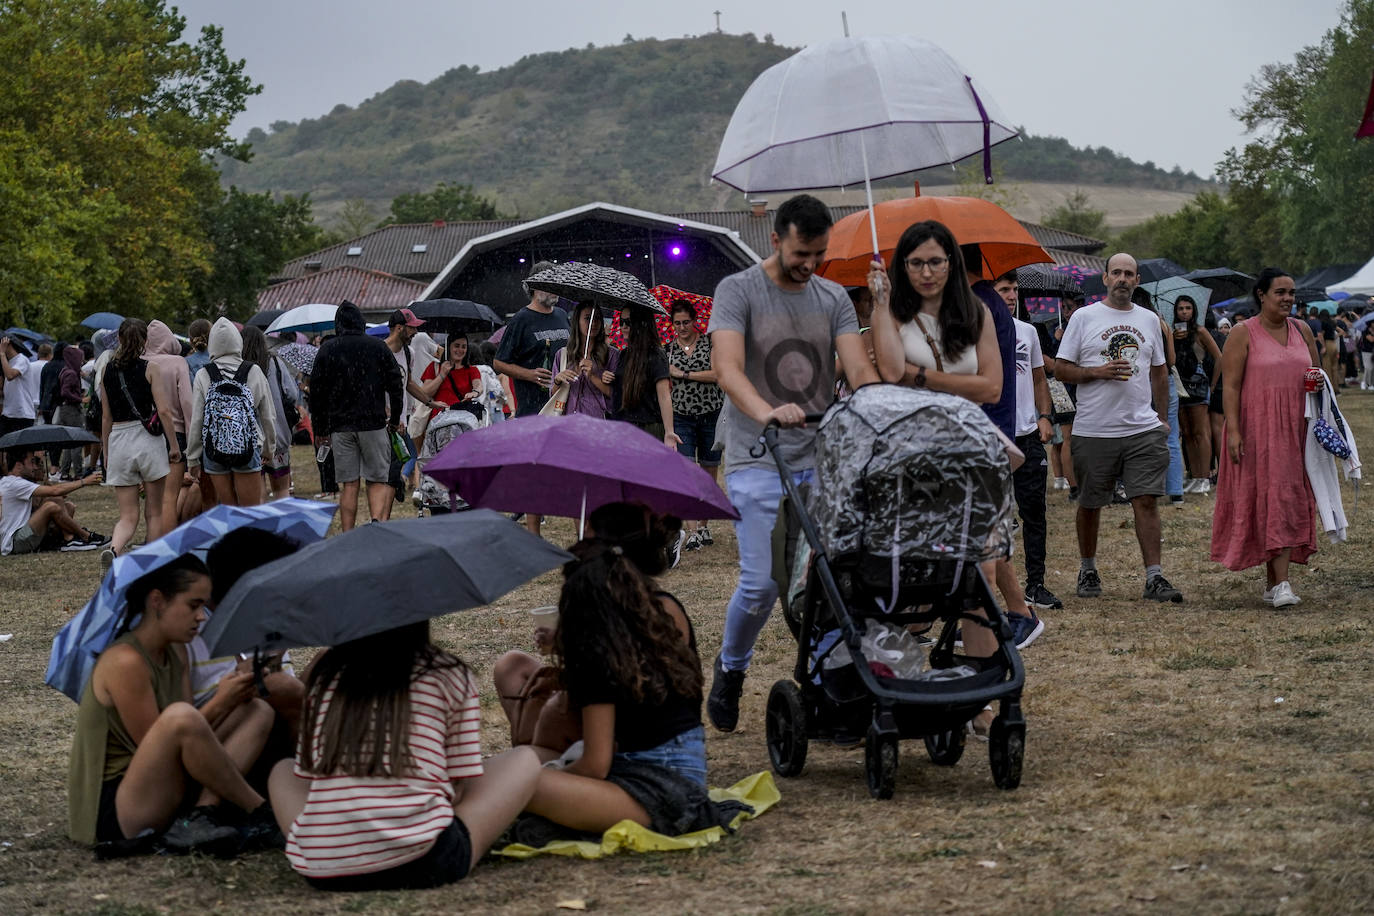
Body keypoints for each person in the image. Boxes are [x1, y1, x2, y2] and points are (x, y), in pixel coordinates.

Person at [706, 194, 879, 733]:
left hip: (822, 459)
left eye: (819, 254)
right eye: (802, 253)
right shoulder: (737, 291)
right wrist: (767, 412)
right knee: (761, 585)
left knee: (830, 581)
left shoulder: (833, 298)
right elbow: (727, 368)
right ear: (776, 239)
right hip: (758, 457)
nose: (810, 264)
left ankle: (832, 686)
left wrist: (877, 407)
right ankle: (731, 668)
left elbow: (857, 369)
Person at [866, 226, 1041, 680]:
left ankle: (979, 687)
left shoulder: (977, 312)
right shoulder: (893, 313)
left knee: (977, 574)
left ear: (952, 264)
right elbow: (888, 369)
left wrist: (922, 378)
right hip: (912, 457)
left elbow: (992, 385)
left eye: (936, 261)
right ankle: (897, 682)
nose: (927, 272)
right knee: (910, 574)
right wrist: (880, 303)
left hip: (971, 453)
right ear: (902, 266)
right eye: (916, 263)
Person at [267, 621, 540, 890]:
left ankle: (335, 843)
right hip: (425, 862)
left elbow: (309, 774)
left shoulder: (325, 678)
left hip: (322, 870)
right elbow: (458, 787)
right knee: (524, 760)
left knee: (282, 771)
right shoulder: (448, 672)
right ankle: (407, 830)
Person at [520, 520, 729, 839]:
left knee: (520, 784)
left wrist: (558, 775)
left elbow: (594, 765)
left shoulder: (597, 655)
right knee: (515, 771)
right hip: (664, 776)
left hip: (664, 794)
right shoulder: (629, 632)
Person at [67, 555, 281, 854]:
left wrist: (237, 693)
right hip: (118, 811)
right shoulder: (125, 661)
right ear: (157, 601)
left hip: (162, 786)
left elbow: (187, 737)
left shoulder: (175, 650)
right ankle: (260, 811)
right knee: (181, 716)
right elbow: (166, 739)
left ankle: (201, 815)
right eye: (193, 606)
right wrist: (221, 701)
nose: (202, 616)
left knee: (257, 710)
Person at [1053, 254, 1183, 603]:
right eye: (1117, 273)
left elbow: (1159, 371)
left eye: (1129, 274)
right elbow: (1062, 370)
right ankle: (1088, 568)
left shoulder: (1150, 320)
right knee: (1091, 503)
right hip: (1094, 428)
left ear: (1136, 279)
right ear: (1106, 278)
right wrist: (1096, 372)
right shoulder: (1084, 317)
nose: (1123, 279)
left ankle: (1154, 577)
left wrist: (1161, 417)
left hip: (1141, 428)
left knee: (1146, 500)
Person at [1211, 268, 1320, 608]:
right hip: (1257, 428)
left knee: (1287, 497)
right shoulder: (1243, 333)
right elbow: (1229, 386)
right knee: (1268, 498)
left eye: (1291, 292)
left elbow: (1317, 375)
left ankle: (1277, 583)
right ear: (1262, 295)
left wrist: (1318, 396)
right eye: (1281, 292)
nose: (1288, 298)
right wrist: (1234, 431)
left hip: (1297, 427)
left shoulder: (1302, 330)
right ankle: (1281, 583)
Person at [992, 271, 1062, 611]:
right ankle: (991, 589)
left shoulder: (1028, 332)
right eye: (1003, 289)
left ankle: (1037, 584)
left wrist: (1045, 416)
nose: (1011, 295)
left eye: (1014, 290)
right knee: (993, 518)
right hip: (993, 438)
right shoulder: (980, 332)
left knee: (1035, 512)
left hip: (1027, 434)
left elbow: (1038, 380)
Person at [308, 302, 403, 531]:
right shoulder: (378, 348)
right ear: (361, 322)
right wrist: (395, 418)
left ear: (338, 324)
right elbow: (396, 386)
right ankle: (377, 529)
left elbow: (317, 394)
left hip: (341, 427)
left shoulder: (328, 350)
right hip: (373, 423)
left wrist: (320, 429)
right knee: (377, 480)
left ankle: (348, 534)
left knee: (349, 485)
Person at [100, 319, 181, 566]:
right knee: (154, 511)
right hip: (148, 441)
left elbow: (106, 416)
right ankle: (151, 562)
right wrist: (174, 446)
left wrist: (105, 450)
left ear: (120, 340)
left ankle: (114, 549)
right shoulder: (151, 368)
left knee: (127, 515)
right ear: (146, 341)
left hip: (119, 439)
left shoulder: (106, 371)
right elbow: (164, 411)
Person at [186, 318, 277, 509]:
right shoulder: (253, 371)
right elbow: (268, 415)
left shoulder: (204, 374)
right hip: (247, 444)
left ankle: (232, 538)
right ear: (238, 342)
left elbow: (197, 420)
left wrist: (193, 457)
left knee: (228, 509)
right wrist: (269, 447)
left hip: (214, 450)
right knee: (249, 510)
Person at [666, 300, 724, 551]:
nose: (682, 327)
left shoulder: (710, 343)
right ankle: (693, 531)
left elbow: (718, 374)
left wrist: (683, 374)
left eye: (686, 322)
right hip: (681, 416)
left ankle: (703, 523)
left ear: (695, 320)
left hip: (711, 413)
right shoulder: (667, 350)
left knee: (709, 471)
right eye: (677, 323)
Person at [493, 260, 570, 421]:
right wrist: (529, 374)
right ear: (534, 287)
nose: (555, 289)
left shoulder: (562, 315)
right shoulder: (521, 319)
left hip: (563, 404)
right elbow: (499, 363)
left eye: (556, 284)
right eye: (549, 284)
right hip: (533, 409)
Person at [1, 448, 106, 555]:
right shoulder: (14, 484)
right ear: (19, 465)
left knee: (67, 506)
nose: (34, 467)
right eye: (32, 462)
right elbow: (55, 491)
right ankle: (84, 536)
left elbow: (46, 499)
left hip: (22, 534)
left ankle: (67, 539)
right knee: (50, 506)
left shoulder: (11, 482)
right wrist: (84, 481)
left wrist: (43, 481)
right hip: (14, 542)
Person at [143, 320, 194, 530]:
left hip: (147, 433)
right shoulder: (178, 362)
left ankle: (152, 540)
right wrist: (192, 441)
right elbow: (187, 402)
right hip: (177, 432)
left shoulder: (140, 361)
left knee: (152, 498)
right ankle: (168, 546)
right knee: (169, 497)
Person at [240, 326, 300, 500]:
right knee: (281, 489)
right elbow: (292, 394)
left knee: (257, 490)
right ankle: (282, 525)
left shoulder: (239, 367)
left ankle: (261, 525)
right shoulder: (274, 362)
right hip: (278, 434)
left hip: (250, 439)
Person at [1171, 296, 1223, 494]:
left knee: (1201, 432)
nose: (1184, 312)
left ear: (1194, 311)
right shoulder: (1173, 332)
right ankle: (1194, 474)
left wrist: (1212, 383)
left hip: (1198, 384)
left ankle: (1204, 477)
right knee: (1187, 432)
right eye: (1181, 308)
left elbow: (1219, 357)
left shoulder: (1200, 331)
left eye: (1188, 308)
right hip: (1179, 385)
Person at [549, 301, 617, 419]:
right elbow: (553, 396)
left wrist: (593, 376)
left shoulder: (611, 354)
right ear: (577, 321)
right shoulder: (563, 354)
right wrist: (557, 381)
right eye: (587, 318)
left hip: (598, 423)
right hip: (568, 423)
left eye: (597, 318)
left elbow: (615, 395)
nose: (593, 323)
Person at [420, 334, 484, 417]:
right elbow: (425, 393)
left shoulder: (471, 370)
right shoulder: (434, 366)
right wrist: (442, 375)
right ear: (448, 347)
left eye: (464, 347)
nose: (460, 350)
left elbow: (478, 385)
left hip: (462, 419)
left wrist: (475, 392)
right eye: (456, 346)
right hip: (438, 419)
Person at [54, 345, 88, 480]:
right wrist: (81, 398)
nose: (81, 362)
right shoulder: (71, 373)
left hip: (65, 409)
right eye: (80, 359)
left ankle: (65, 472)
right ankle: (79, 474)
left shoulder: (65, 370)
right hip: (72, 410)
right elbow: (65, 392)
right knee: (77, 441)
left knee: (68, 443)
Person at [1, 335, 36, 436]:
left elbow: (10, 375)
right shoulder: (7, 362)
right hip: (8, 413)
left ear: (7, 344)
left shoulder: (22, 359)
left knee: (19, 450)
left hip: (21, 413)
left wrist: (2, 353)